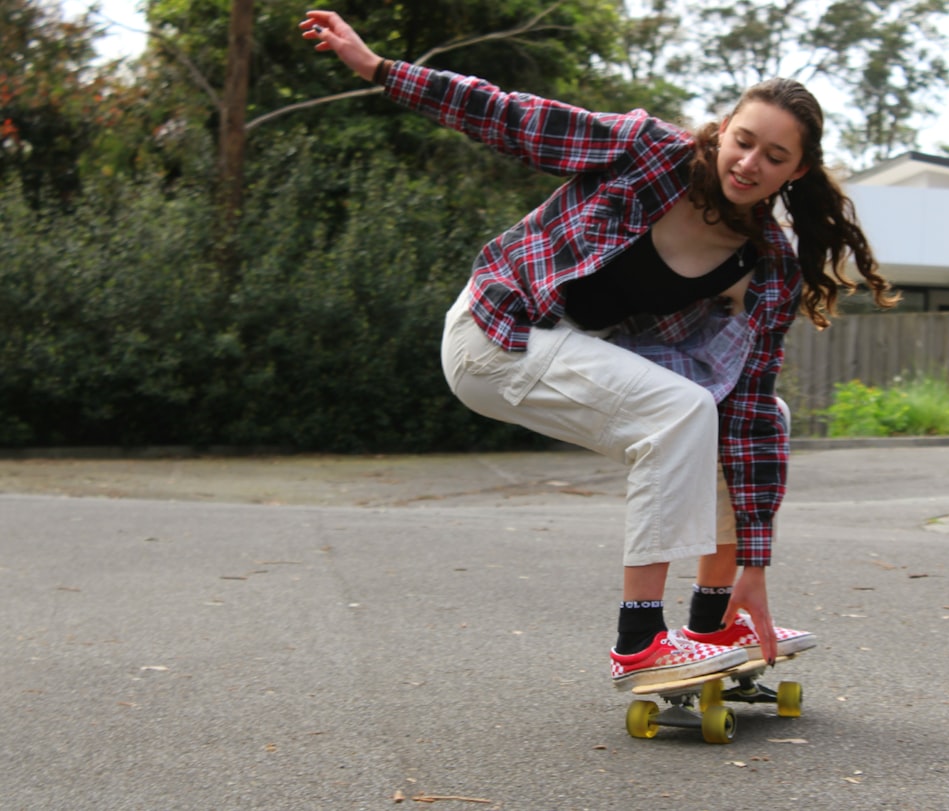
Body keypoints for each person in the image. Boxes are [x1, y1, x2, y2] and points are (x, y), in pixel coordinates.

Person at [300, 10, 897, 689]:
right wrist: (380, 69)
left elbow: (752, 411)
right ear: (723, 129)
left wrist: (754, 564)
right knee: (681, 412)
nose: (749, 164)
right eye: (743, 141)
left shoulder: (767, 264)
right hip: (495, 335)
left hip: (573, 350)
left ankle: (713, 618)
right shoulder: (647, 150)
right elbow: (512, 116)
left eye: (774, 157)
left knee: (755, 416)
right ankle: (639, 639)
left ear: (800, 169)